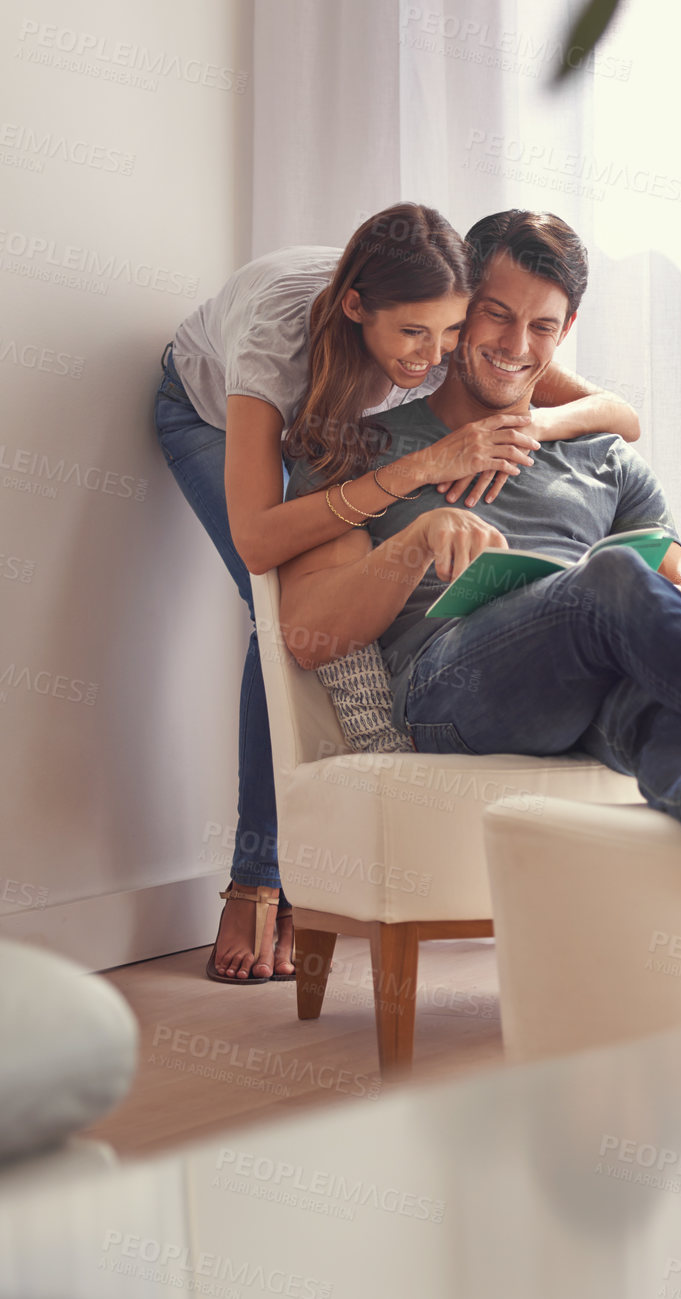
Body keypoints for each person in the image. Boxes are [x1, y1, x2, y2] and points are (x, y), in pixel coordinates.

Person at [276, 211, 681, 902]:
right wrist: (416, 542)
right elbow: (309, 629)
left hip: (582, 688)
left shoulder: (605, 458)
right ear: (459, 312)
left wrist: (637, 610)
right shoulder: (361, 450)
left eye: (542, 326)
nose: (515, 344)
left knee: (638, 704)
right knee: (613, 574)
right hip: (446, 692)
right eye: (496, 316)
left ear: (566, 331)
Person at [155, 203, 642, 982]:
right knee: (275, 606)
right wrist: (411, 475)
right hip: (210, 415)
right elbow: (257, 539)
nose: (437, 357)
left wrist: (528, 428)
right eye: (419, 337)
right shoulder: (277, 345)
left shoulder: (444, 319)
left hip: (349, 419)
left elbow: (620, 414)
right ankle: (259, 878)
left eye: (449, 335)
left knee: (343, 566)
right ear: (358, 310)